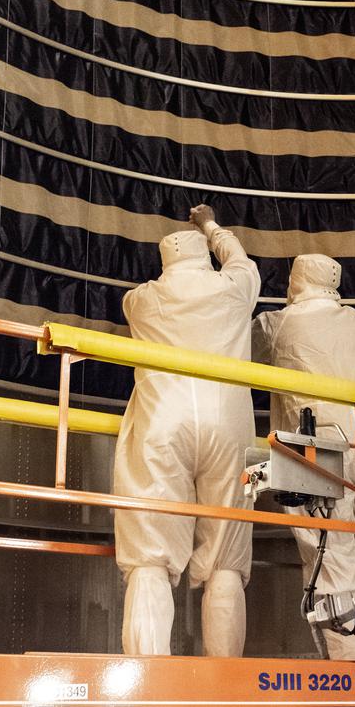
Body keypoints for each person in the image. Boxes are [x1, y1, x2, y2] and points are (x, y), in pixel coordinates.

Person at [115, 204, 260, 657]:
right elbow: (242, 260)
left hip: (162, 424)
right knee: (226, 560)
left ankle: (147, 679)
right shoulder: (235, 286)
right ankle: (226, 681)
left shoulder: (139, 301)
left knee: (149, 556)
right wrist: (211, 225)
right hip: (230, 430)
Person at [251, 254, 355, 661]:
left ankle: (354, 682)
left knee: (334, 562)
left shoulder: (280, 323)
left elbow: (236, 345)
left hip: (320, 447)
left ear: (297, 280)